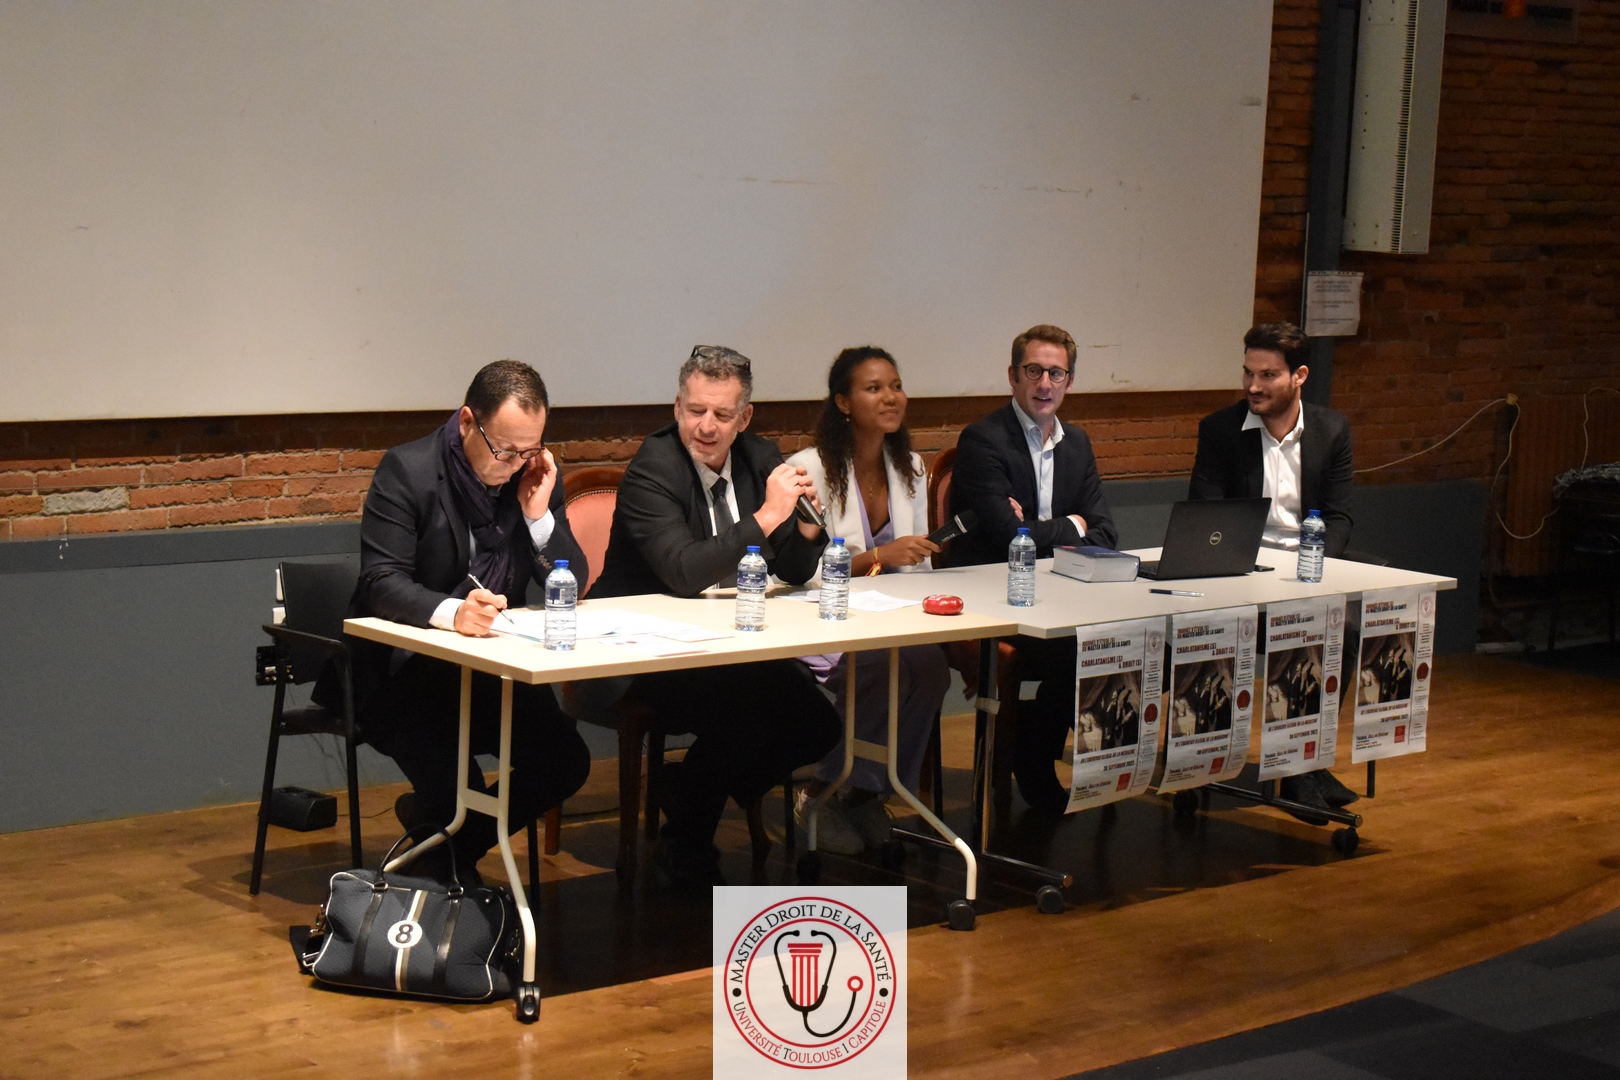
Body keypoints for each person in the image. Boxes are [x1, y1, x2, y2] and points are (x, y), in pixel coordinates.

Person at [326, 360, 592, 882]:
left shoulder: (533, 476)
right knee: (455, 794)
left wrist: (538, 517)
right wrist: (453, 613)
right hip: (406, 675)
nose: (515, 464)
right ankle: (446, 864)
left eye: (529, 450)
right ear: (468, 422)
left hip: (492, 669)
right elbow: (380, 581)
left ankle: (437, 857)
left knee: (566, 760)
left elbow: (572, 583)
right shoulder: (408, 471)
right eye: (504, 450)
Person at [591, 345, 842, 887]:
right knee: (744, 707)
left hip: (725, 643)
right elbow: (684, 572)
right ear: (677, 406)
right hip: (636, 651)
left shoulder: (760, 456)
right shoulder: (652, 469)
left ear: (744, 418)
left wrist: (805, 527)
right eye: (695, 410)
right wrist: (768, 514)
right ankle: (688, 841)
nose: (705, 426)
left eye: (722, 415)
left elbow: (794, 570)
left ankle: (687, 792)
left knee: (817, 723)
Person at [784, 346, 952, 855]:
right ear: (843, 402)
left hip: (889, 614)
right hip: (819, 616)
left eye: (896, 386)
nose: (890, 397)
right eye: (874, 388)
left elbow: (916, 565)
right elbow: (799, 572)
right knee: (878, 666)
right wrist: (878, 556)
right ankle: (819, 792)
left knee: (931, 668)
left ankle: (863, 795)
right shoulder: (807, 469)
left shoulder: (911, 467)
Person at [1188, 321, 1358, 817]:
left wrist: (1317, 567)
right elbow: (1205, 517)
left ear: (1299, 376)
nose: (1253, 386)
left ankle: (1302, 760)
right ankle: (1296, 767)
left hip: (1307, 570)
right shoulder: (1221, 430)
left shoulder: (1331, 430)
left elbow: (1340, 515)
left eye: (1267, 375)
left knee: (1344, 627)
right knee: (1294, 626)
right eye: (1248, 373)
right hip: (1244, 577)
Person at [950, 324, 1119, 814]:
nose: (1045, 384)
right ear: (1013, 376)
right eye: (1033, 371)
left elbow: (1106, 533)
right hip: (995, 600)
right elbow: (1009, 537)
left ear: (1070, 381)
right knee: (1076, 652)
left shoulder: (1077, 442)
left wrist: (1041, 528)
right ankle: (1035, 759)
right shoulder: (983, 440)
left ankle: (1037, 746)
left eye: (1056, 373)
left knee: (1113, 645)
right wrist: (1073, 525)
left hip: (1061, 595)